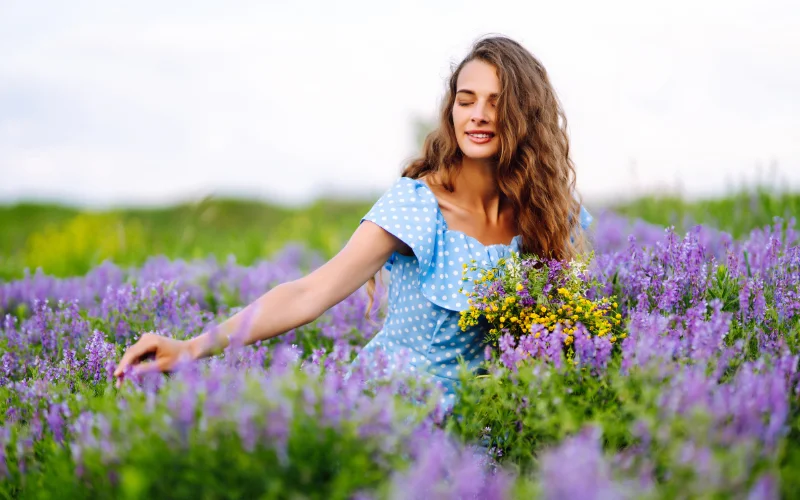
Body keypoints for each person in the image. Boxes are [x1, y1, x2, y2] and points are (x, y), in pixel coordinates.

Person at [113, 35, 593, 412]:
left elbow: (567, 326)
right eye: (466, 100)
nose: (479, 115)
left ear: (524, 115)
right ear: (451, 110)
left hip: (490, 419)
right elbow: (309, 293)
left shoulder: (545, 215)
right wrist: (193, 348)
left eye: (496, 101)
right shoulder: (419, 206)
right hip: (394, 410)